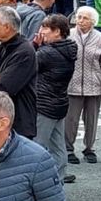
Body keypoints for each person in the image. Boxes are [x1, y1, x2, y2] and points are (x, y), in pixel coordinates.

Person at [65, 6, 101, 165]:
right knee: (71, 120)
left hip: (94, 86)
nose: (80, 21)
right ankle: (68, 149)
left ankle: (89, 149)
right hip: (72, 85)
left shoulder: (100, 38)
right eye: (78, 17)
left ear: (93, 21)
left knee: (91, 119)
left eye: (85, 18)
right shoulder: (69, 36)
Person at [33, 14, 78, 184]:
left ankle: (37, 187)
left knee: (37, 146)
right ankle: (57, 182)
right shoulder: (70, 49)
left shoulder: (46, 53)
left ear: (57, 31)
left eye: (45, 28)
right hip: (59, 104)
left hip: (43, 104)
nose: (41, 31)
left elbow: (26, 66)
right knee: (58, 147)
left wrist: (34, 45)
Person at [0, 7, 37, 139]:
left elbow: (6, 86)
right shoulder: (3, 47)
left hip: (19, 121)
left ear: (7, 27)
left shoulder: (24, 51)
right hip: (3, 116)